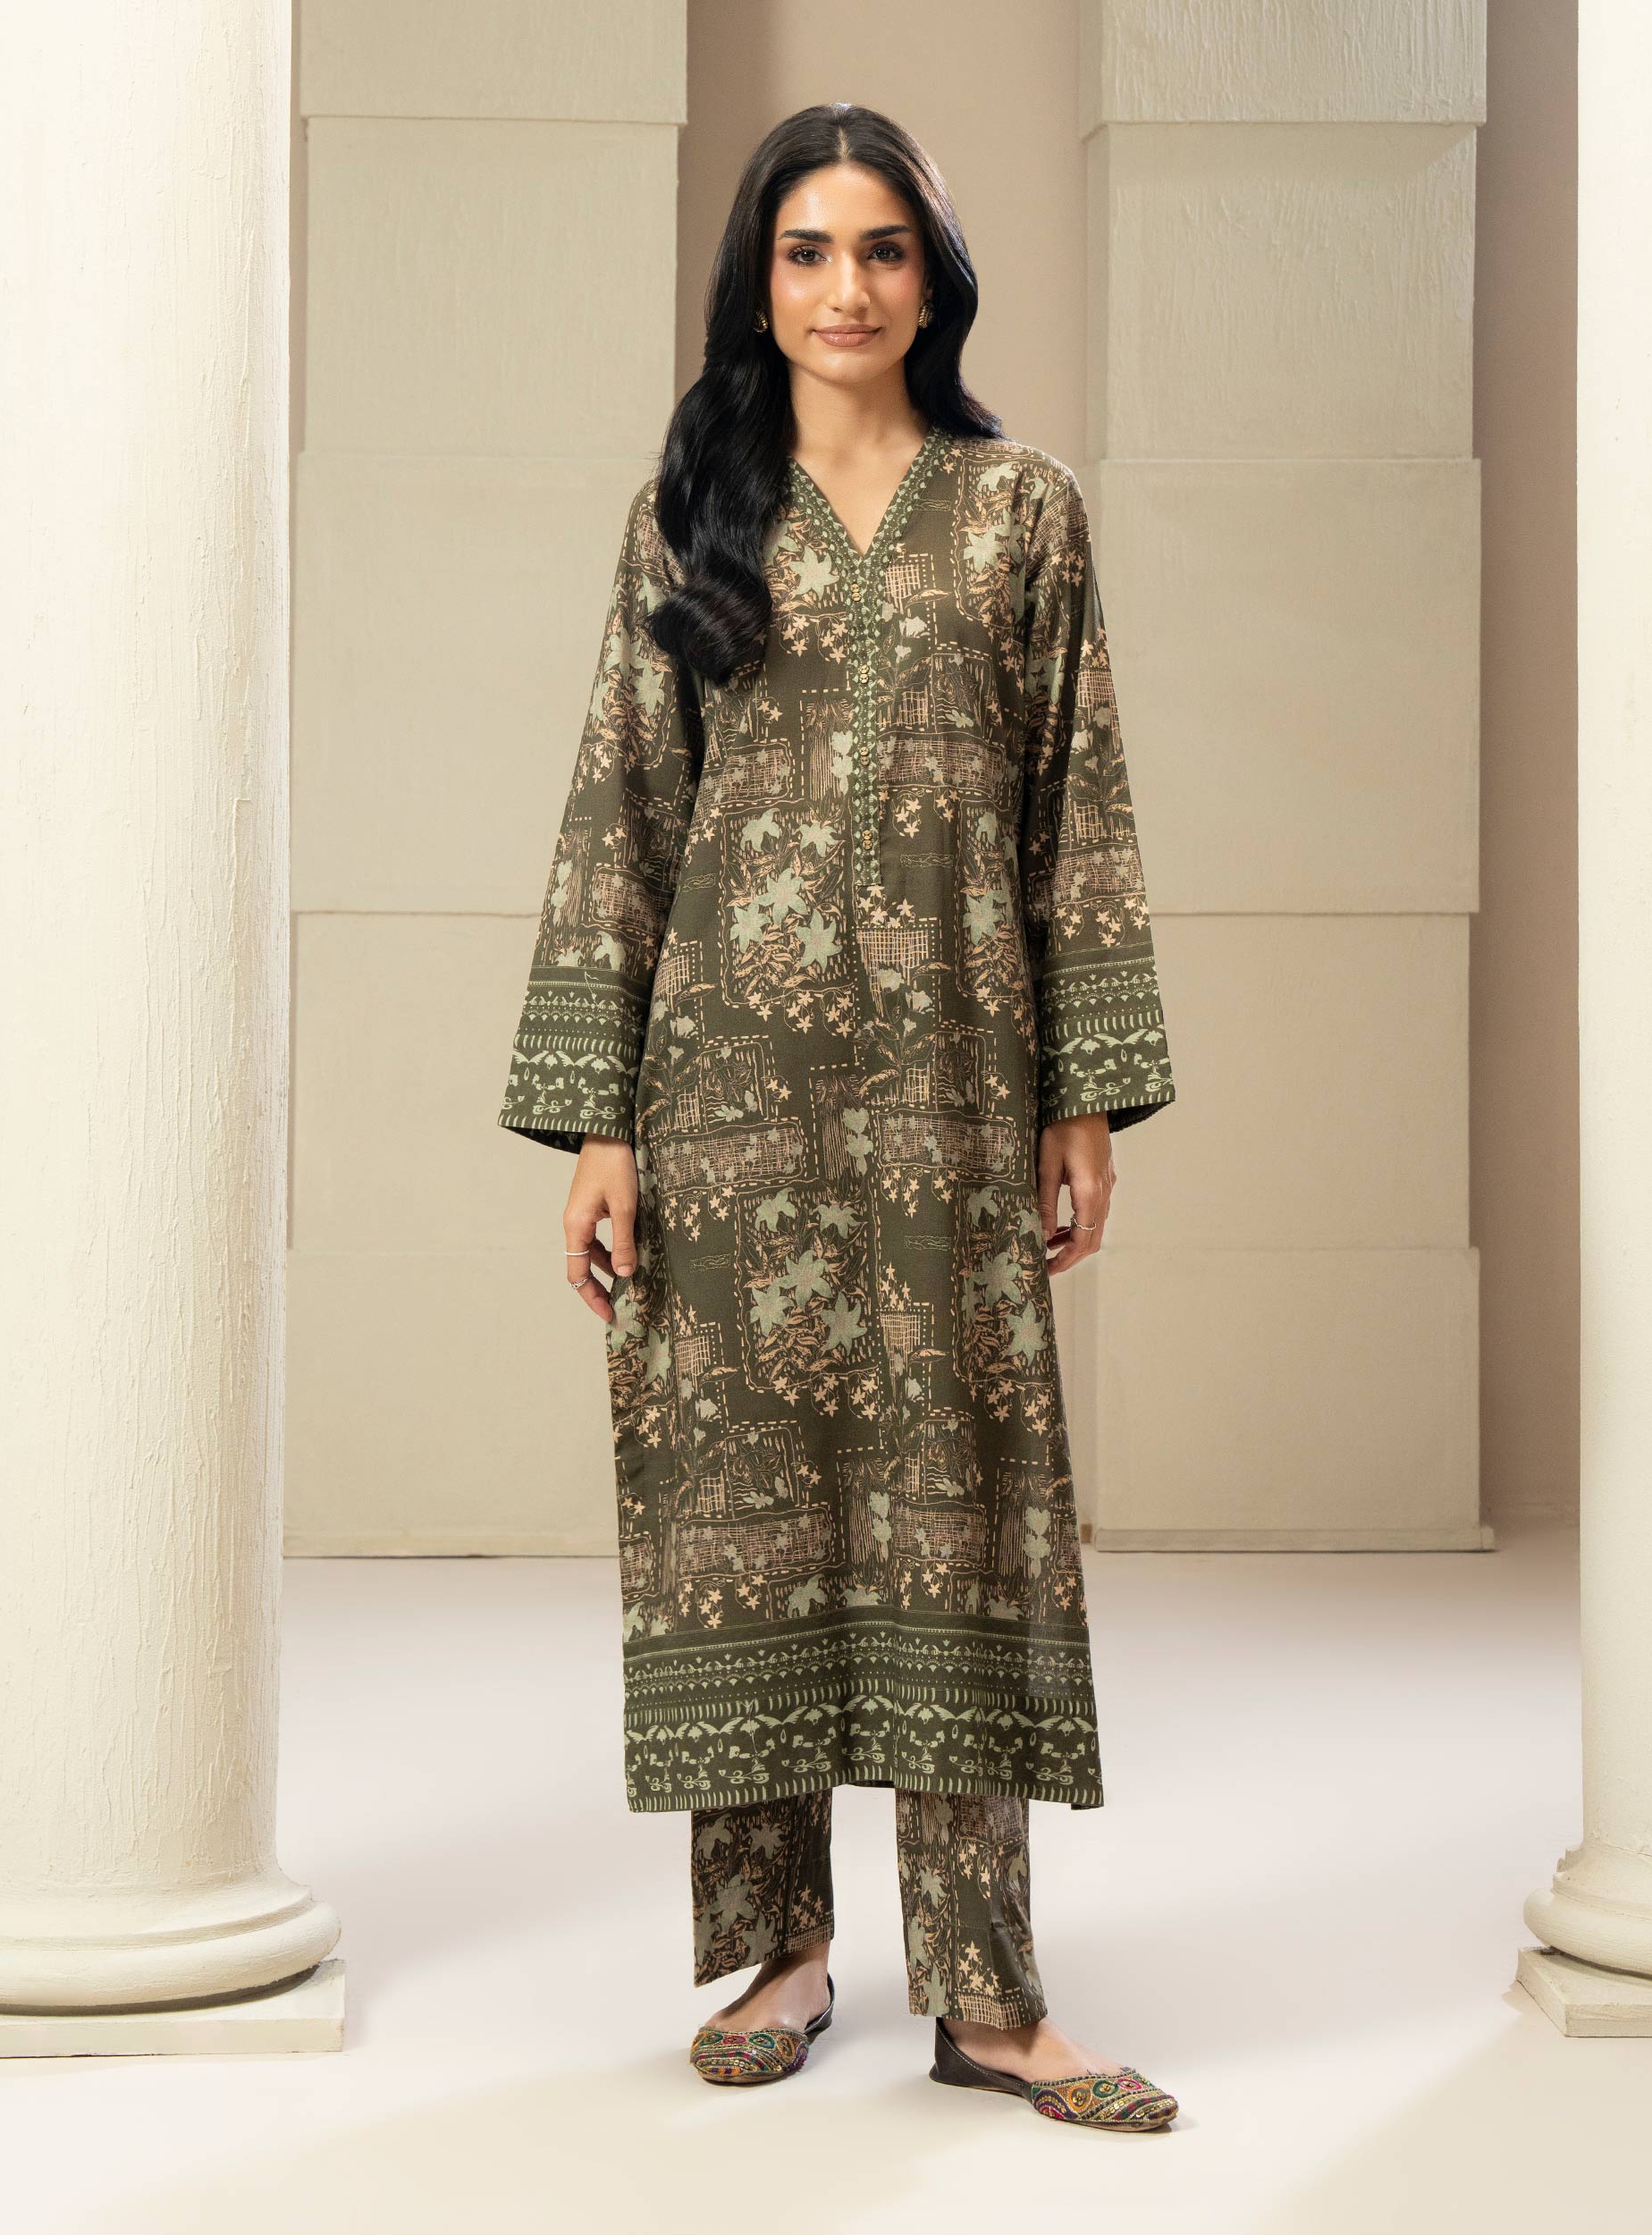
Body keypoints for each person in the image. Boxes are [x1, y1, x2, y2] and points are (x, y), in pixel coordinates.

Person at [498, 101, 1179, 2134]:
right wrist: (601, 1124)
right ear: (758, 280)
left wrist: (1081, 1092)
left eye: (882, 249)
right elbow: (621, 811)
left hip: (956, 1106)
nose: (845, 289)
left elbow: (1078, 811)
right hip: (727, 1106)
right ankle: (778, 1956)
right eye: (807, 251)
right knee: (745, 1518)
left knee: (962, 1502)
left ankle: (986, 1993)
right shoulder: (691, 512)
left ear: (932, 280)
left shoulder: (1020, 514)